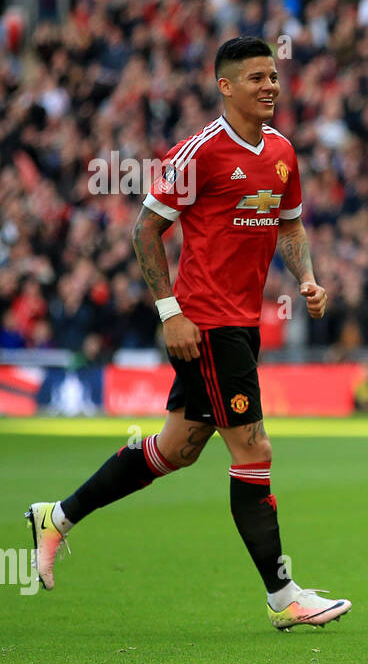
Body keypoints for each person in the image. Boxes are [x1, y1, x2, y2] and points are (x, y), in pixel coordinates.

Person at [27, 36, 350, 631]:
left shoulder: (282, 152)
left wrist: (307, 277)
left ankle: (58, 516)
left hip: (242, 323)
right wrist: (169, 312)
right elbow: (145, 230)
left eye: (273, 76)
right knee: (254, 451)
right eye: (256, 78)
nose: (270, 86)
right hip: (207, 323)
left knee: (176, 448)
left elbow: (291, 225)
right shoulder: (199, 152)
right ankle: (285, 598)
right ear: (225, 86)